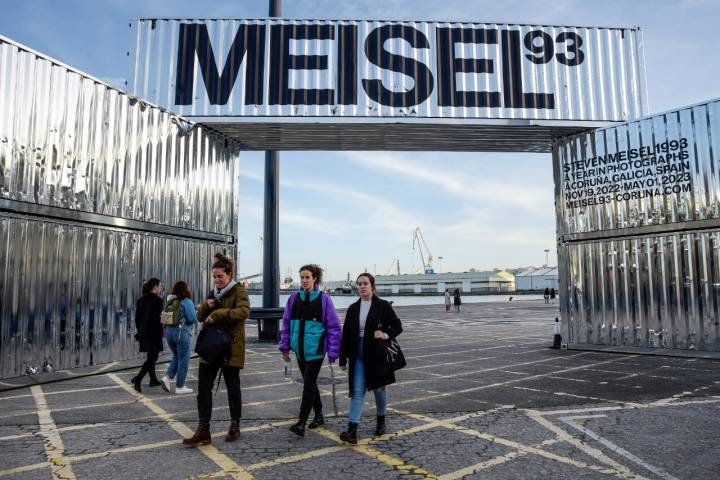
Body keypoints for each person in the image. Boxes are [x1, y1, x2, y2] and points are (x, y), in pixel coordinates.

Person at [183, 253, 250, 446]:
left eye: (220, 276)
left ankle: (234, 425)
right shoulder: (213, 293)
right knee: (203, 389)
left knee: (233, 388)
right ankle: (203, 430)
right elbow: (200, 317)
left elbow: (244, 312)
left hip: (230, 348)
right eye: (214, 276)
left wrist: (219, 313)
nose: (217, 280)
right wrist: (206, 306)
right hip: (211, 348)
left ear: (229, 275)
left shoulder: (238, 292)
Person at [339, 273, 403, 444]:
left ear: (372, 286)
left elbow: (397, 325)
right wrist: (342, 357)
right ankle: (352, 430)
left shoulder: (382, 306)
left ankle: (381, 420)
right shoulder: (353, 308)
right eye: (359, 284)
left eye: (365, 283)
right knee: (357, 390)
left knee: (379, 389)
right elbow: (346, 334)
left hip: (376, 353)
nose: (362, 286)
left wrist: (385, 333)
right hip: (357, 353)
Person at [278, 264, 341, 437]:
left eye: (308, 277)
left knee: (308, 383)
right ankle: (319, 415)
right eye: (302, 277)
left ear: (315, 279)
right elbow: (286, 325)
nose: (304, 280)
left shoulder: (324, 300)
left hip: (316, 350)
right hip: (300, 350)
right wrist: (284, 347)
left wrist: (333, 351)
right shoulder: (293, 299)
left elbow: (334, 327)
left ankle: (301, 422)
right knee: (310, 383)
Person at [160, 281, 198, 395]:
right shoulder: (187, 302)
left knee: (177, 356)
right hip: (182, 333)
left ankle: (167, 378)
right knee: (184, 360)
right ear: (185, 289)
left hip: (169, 333)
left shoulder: (170, 301)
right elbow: (191, 318)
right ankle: (180, 387)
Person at [131, 278, 164, 393]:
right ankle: (138, 379)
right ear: (154, 287)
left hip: (143, 332)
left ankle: (153, 379)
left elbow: (137, 318)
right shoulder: (158, 301)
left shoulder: (141, 300)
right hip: (154, 332)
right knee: (153, 358)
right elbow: (157, 319)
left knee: (151, 356)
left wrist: (139, 331)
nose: (161, 288)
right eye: (160, 286)